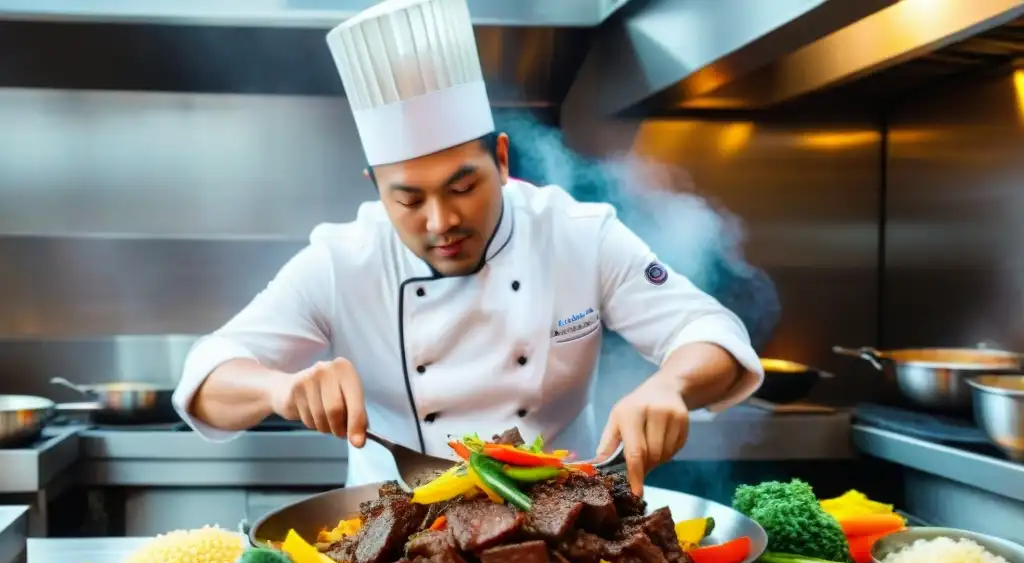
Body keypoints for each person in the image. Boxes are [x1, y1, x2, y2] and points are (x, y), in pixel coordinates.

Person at [172, 0, 765, 496]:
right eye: (408, 200)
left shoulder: (578, 234)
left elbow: (711, 334)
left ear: (502, 160)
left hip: (561, 527)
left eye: (464, 187)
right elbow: (206, 376)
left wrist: (670, 386)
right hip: (391, 537)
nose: (441, 221)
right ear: (375, 191)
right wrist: (280, 388)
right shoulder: (341, 260)